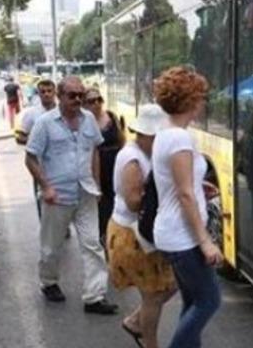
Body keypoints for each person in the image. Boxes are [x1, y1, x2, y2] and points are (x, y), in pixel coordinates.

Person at [24, 76, 118, 314]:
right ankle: (49, 282)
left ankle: (94, 297)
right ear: (60, 96)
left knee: (93, 244)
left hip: (86, 193)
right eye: (72, 95)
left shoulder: (89, 120)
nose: (78, 99)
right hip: (58, 196)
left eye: (81, 95)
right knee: (51, 247)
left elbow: (94, 151)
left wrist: (97, 184)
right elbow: (31, 158)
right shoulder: (45, 123)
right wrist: (46, 187)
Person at [152, 66, 222, 348]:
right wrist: (205, 242)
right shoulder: (180, 139)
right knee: (209, 301)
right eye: (201, 97)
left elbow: (179, 184)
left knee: (193, 301)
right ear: (190, 101)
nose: (203, 102)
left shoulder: (166, 133)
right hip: (183, 236)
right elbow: (184, 194)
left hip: (172, 232)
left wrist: (198, 185)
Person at [107, 103, 175, 347]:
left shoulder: (147, 154)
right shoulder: (132, 159)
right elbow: (134, 202)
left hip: (142, 232)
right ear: (144, 134)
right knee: (153, 295)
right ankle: (150, 343)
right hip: (133, 235)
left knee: (168, 286)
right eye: (156, 136)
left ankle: (136, 322)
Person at [84, 87, 126, 241]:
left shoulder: (111, 117)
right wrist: (95, 182)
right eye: (91, 101)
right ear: (85, 104)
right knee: (103, 204)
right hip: (98, 166)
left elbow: (121, 139)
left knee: (118, 199)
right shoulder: (85, 123)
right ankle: (105, 235)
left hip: (115, 163)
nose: (96, 103)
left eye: (99, 99)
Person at [17, 79, 58, 219]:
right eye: (43, 92)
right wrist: (36, 142)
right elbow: (20, 136)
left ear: (55, 92)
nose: (46, 94)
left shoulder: (64, 111)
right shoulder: (31, 114)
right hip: (40, 165)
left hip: (61, 163)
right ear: (38, 94)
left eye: (49, 91)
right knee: (43, 197)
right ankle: (45, 223)